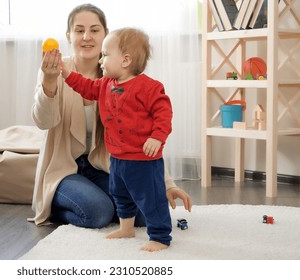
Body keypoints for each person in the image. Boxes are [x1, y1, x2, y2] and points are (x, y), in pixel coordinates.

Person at [29, 4, 192, 235]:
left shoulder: (116, 77)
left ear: (106, 34)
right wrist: (50, 79)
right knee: (98, 212)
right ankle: (54, 207)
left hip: (103, 166)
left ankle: (107, 204)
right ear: (69, 36)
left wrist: (167, 185)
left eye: (95, 30)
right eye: (79, 30)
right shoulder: (56, 69)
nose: (87, 37)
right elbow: (44, 121)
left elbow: (143, 131)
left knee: (145, 214)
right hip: (65, 168)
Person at [59, 27, 173, 252]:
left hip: (143, 160)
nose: (101, 60)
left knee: (151, 198)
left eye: (105, 55)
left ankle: (160, 236)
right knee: (121, 195)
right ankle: (126, 228)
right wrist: (66, 74)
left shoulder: (149, 87)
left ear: (125, 60)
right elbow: (86, 87)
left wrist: (157, 138)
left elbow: (164, 113)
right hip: (117, 158)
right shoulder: (104, 85)